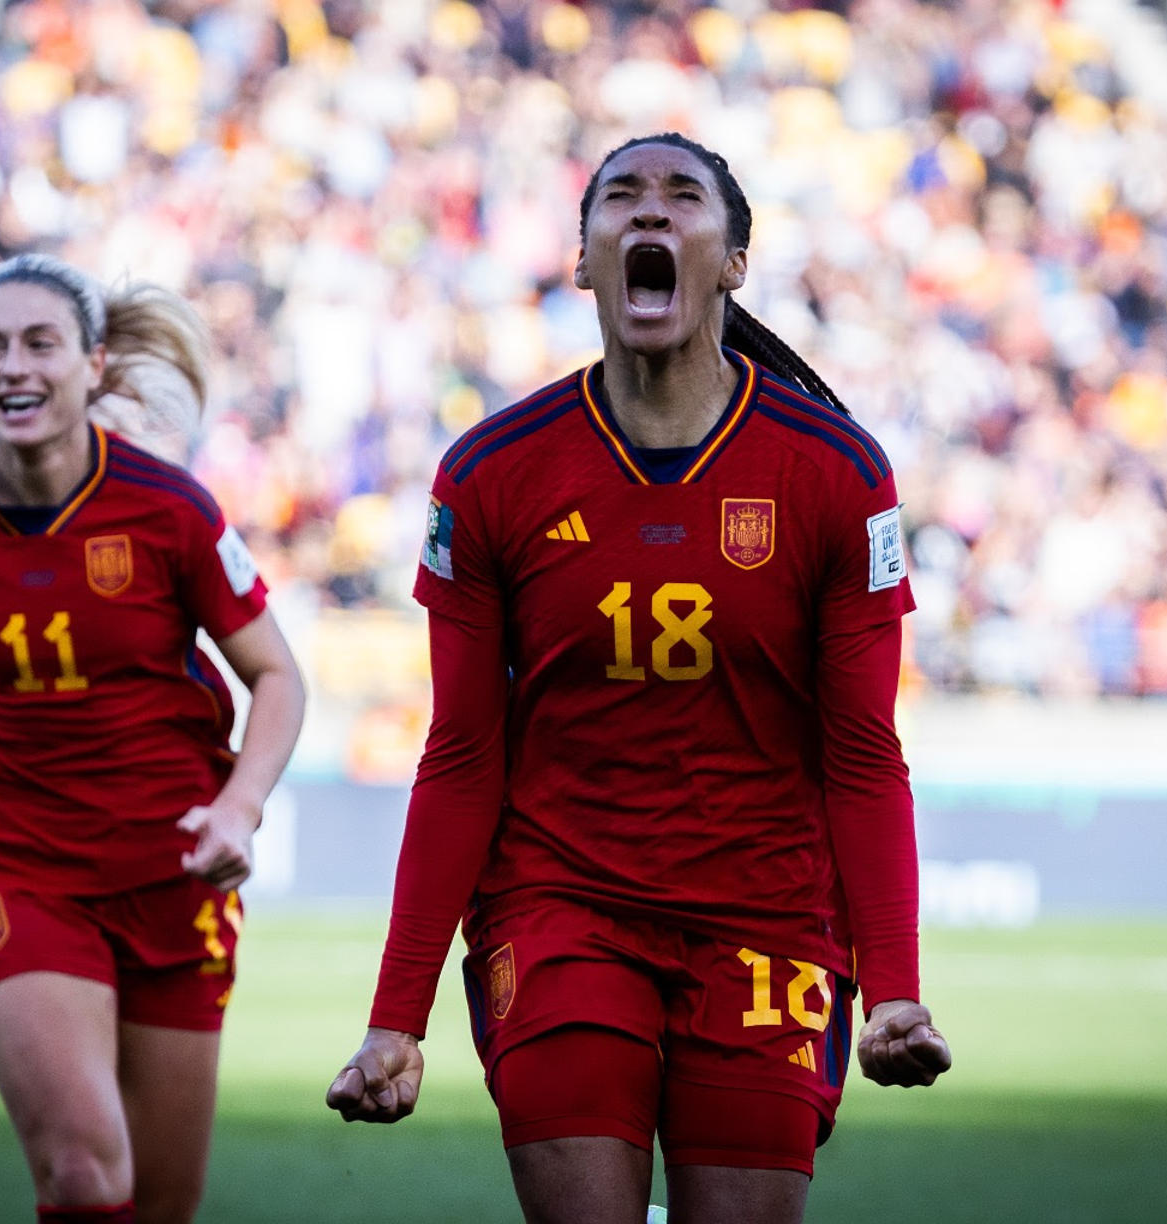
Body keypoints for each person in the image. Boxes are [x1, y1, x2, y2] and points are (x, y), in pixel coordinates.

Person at [327, 134, 950, 1224]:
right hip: (559, 905)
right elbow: (462, 756)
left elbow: (863, 756)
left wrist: (894, 989)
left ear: (734, 261)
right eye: (621, 197)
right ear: (583, 261)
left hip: (768, 917)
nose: (650, 213)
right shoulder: (491, 472)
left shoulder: (837, 472)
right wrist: (395, 1018)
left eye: (681, 197)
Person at [0, 254, 305, 1224]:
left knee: (160, 1204)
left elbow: (277, 677)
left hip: (173, 874)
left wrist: (239, 807)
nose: (13, 367)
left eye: (39, 344)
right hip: (14, 867)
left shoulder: (170, 510)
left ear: (93, 364)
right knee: (85, 1174)